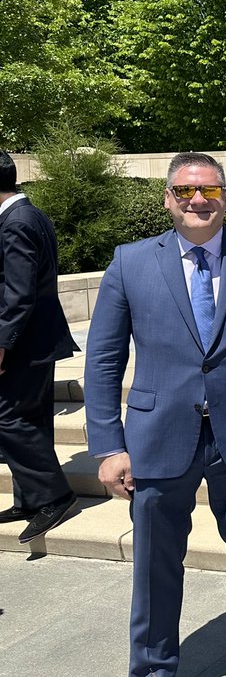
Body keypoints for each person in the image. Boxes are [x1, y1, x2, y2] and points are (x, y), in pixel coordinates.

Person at [84, 152, 226, 677]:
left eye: (209, 191)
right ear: (168, 199)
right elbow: (104, 359)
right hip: (157, 436)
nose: (198, 200)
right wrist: (109, 446)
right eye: (185, 191)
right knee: (156, 566)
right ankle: (155, 665)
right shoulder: (130, 261)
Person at [0, 151, 79, 544]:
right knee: (29, 419)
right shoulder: (30, 214)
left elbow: (18, 293)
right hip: (36, 339)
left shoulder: (14, 223)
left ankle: (54, 495)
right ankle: (31, 498)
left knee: (8, 419)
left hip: (24, 343)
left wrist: (1, 343)